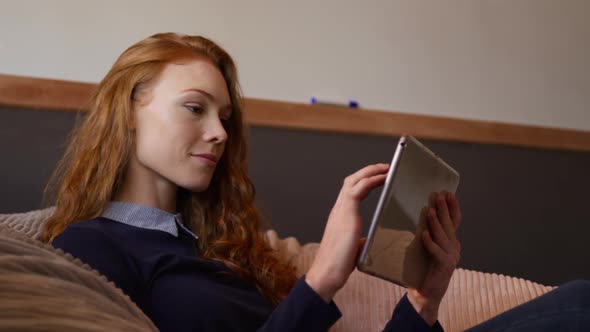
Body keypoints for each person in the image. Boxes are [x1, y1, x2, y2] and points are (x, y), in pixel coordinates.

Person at [41, 33, 589, 332]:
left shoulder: (216, 250)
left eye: (225, 118)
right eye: (194, 108)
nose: (218, 134)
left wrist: (424, 298)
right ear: (128, 112)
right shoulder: (87, 248)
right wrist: (322, 280)